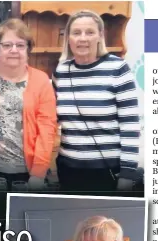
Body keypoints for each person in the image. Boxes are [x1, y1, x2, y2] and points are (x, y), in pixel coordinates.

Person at [52, 10, 141, 195]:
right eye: (76, 33)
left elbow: (130, 126)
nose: (82, 38)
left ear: (100, 36)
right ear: (68, 38)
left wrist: (127, 175)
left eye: (90, 32)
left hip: (107, 171)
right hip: (68, 168)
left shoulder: (117, 68)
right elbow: (52, 116)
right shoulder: (61, 71)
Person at [0, 18, 57, 192]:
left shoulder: (41, 81)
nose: (14, 50)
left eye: (20, 45)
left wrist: (38, 173)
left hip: (29, 174)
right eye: (7, 45)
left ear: (28, 49)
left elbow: (47, 129)